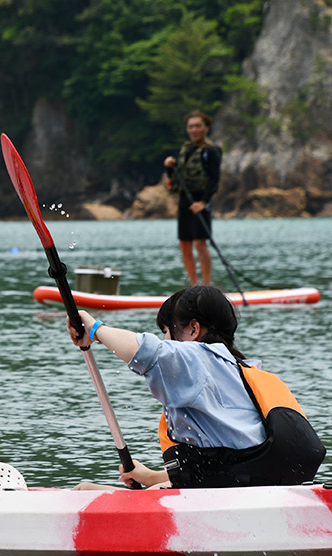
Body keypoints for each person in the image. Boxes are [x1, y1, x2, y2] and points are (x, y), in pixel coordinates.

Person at [68, 286, 325, 490]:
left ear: (193, 330)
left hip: (239, 493)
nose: (165, 340)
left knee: (83, 492)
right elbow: (228, 465)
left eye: (167, 331)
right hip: (260, 484)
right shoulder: (240, 370)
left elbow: (145, 351)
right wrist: (150, 477)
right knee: (143, 488)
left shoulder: (197, 357)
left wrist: (94, 328)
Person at [164, 111, 222, 286]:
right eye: (191, 127)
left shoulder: (211, 151)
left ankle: (206, 285)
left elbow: (214, 180)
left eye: (198, 126)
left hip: (201, 200)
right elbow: (176, 177)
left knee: (200, 243)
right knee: (184, 244)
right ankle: (193, 285)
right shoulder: (186, 149)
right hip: (185, 199)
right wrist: (169, 167)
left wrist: (203, 202)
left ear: (206, 128)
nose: (194, 130)